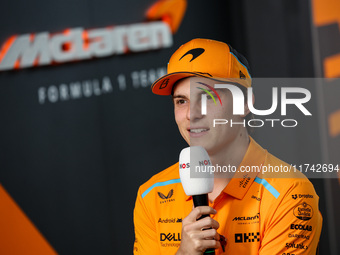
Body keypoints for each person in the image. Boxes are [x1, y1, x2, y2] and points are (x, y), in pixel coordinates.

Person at [133, 38, 322, 254]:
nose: (191, 114)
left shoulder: (290, 193)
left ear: (245, 104)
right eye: (181, 101)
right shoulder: (151, 194)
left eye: (207, 97)